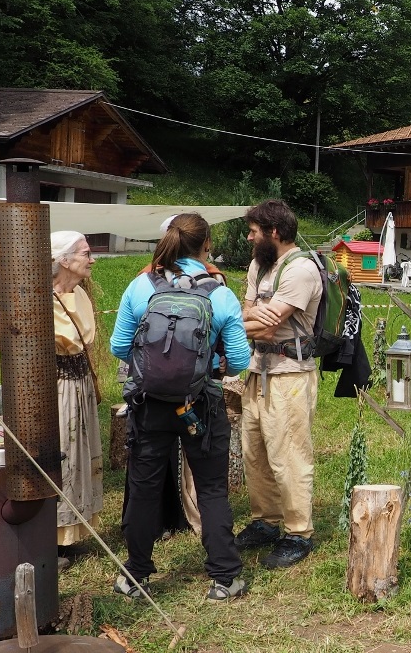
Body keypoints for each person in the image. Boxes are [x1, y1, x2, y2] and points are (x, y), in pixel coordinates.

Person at [109, 213, 250, 601]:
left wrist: (153, 368)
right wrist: (209, 367)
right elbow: (240, 360)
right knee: (211, 488)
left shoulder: (142, 285)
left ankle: (135, 575)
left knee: (144, 487)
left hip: (149, 404)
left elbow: (119, 346)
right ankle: (225, 578)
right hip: (201, 405)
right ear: (207, 245)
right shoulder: (220, 294)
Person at [0, 231, 104, 565]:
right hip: (55, 387)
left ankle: (70, 533)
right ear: (63, 260)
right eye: (86, 253)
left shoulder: (79, 294)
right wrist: (35, 350)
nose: (92, 260)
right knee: (57, 456)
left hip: (80, 386)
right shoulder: (36, 296)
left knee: (79, 455)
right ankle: (48, 536)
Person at [237, 199, 323, 569]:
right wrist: (250, 317)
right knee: (254, 452)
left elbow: (268, 328)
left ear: (274, 232)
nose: (249, 238)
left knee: (288, 455)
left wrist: (242, 321)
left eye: (254, 231)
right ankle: (267, 521)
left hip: (290, 375)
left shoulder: (301, 270)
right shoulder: (259, 265)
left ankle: (298, 532)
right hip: (257, 370)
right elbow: (247, 315)